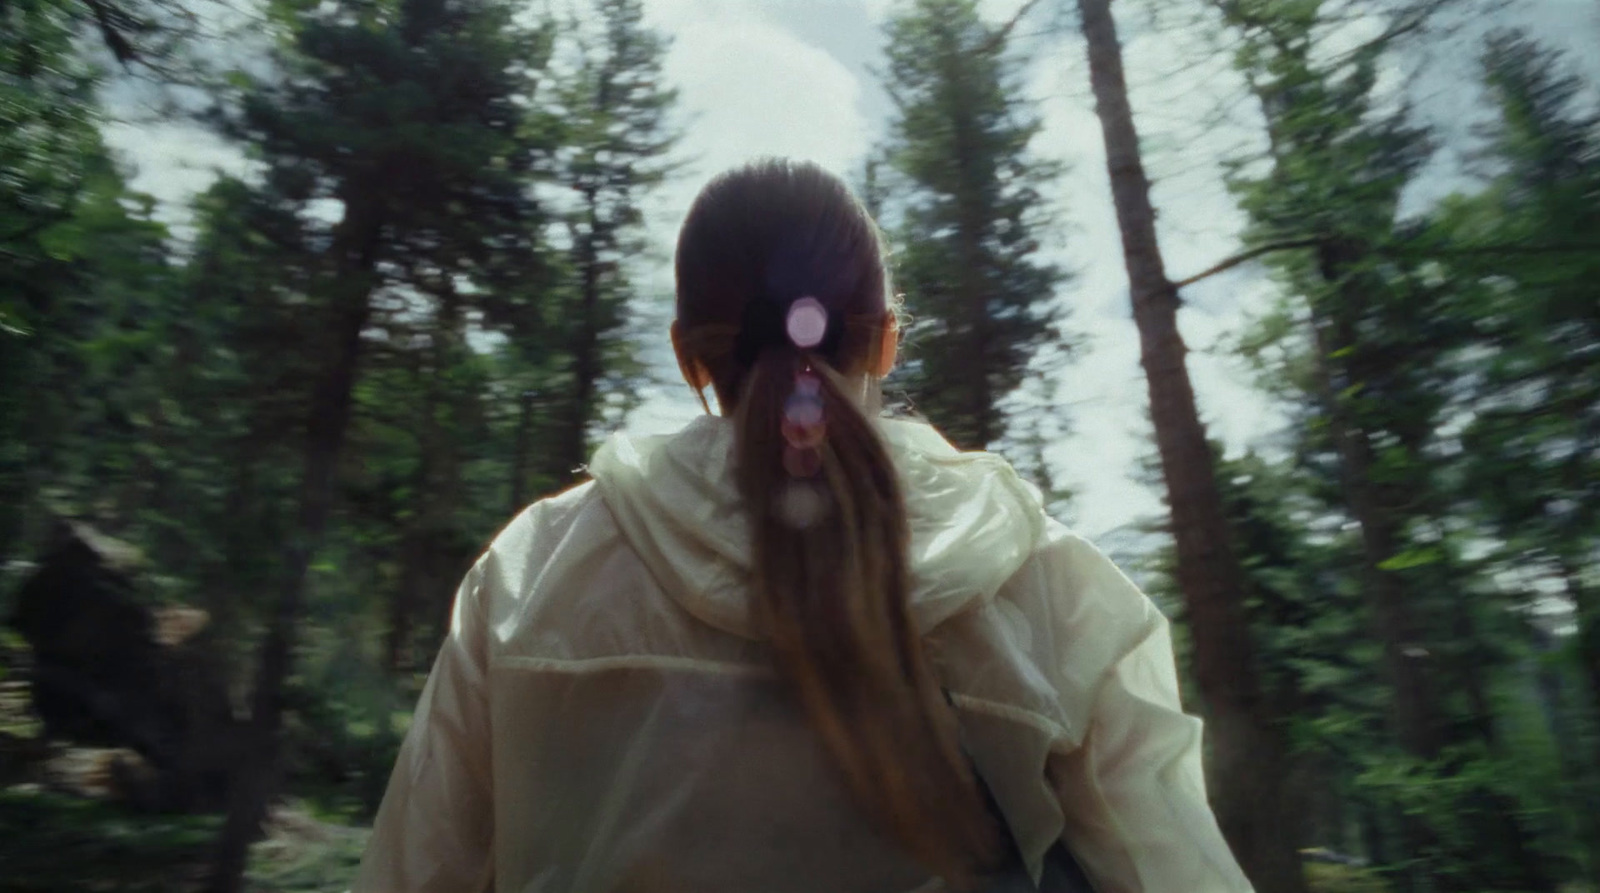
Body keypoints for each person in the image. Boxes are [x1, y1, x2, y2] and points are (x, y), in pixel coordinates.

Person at [351, 159, 1254, 893]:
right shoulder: (1057, 593)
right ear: (887, 339)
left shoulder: (530, 575)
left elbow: (416, 870)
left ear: (689, 356)